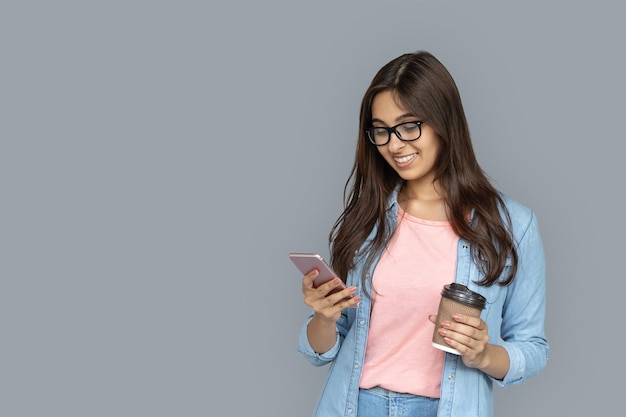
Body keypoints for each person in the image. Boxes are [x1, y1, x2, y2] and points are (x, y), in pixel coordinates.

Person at [297, 51, 548, 417]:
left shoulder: (511, 225)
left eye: (408, 126)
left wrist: (483, 353)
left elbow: (533, 348)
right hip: (356, 406)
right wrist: (324, 317)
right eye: (380, 130)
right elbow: (322, 350)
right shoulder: (367, 218)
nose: (394, 144)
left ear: (444, 123)